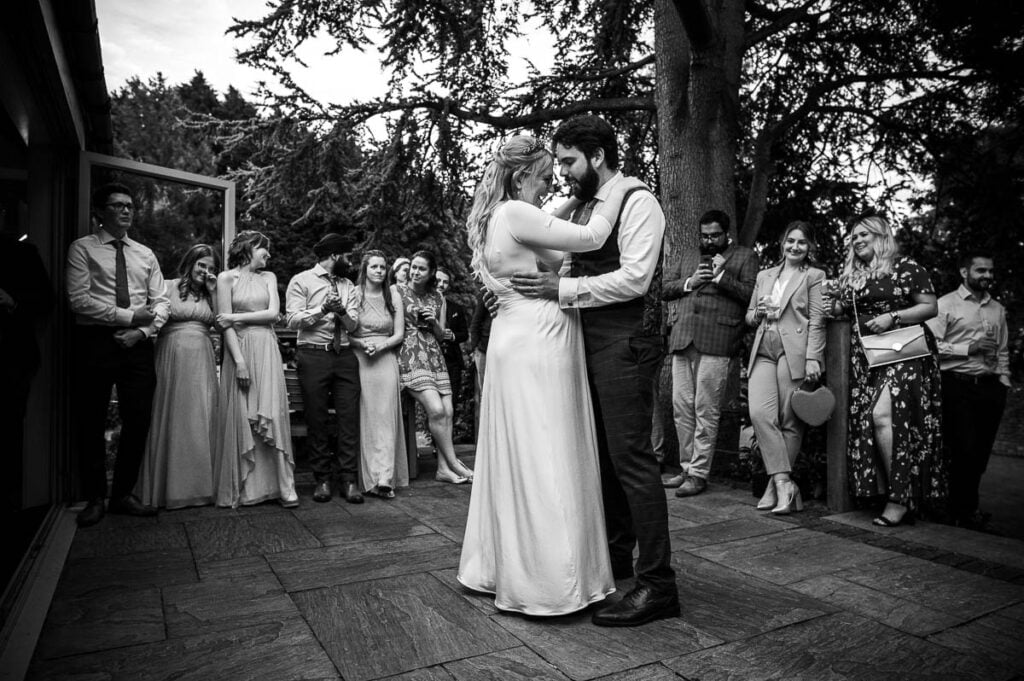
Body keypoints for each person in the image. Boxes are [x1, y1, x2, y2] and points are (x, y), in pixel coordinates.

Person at [459, 133, 644, 616]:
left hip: (514, 337)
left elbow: (552, 219)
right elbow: (592, 237)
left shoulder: (501, 215)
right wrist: (621, 188)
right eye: (543, 177)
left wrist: (568, 200)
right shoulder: (517, 213)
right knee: (547, 454)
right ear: (521, 177)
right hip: (539, 341)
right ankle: (551, 582)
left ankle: (508, 568)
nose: (549, 186)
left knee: (520, 456)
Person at [509, 116, 679, 626]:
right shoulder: (582, 207)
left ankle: (659, 586)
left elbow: (634, 278)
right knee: (603, 458)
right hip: (588, 340)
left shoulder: (638, 202)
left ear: (597, 156)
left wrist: (561, 292)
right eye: (558, 162)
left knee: (632, 460)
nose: (561, 172)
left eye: (568, 161)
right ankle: (618, 564)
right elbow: (558, 261)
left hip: (628, 341)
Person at [66, 182, 168, 527]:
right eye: (117, 205)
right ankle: (95, 497)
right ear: (99, 211)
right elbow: (78, 300)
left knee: (138, 419)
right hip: (94, 341)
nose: (126, 211)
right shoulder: (82, 249)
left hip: (138, 345)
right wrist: (127, 317)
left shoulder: (145, 254)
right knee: (90, 419)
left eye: (130, 206)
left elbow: (162, 302)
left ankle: (122, 494)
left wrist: (140, 331)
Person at [834, 214, 943, 527]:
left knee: (883, 416)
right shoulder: (851, 275)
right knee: (873, 422)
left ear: (881, 236)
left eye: (864, 235)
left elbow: (929, 307)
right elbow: (842, 310)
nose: (857, 241)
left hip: (903, 352)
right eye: (853, 236)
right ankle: (888, 492)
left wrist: (893, 317)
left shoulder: (906, 267)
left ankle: (899, 498)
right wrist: (835, 304)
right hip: (865, 355)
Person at [662, 210, 758, 497]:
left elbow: (751, 294)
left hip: (718, 340)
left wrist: (721, 277)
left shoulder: (744, 256)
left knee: (706, 409)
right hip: (683, 338)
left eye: (715, 235)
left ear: (726, 233)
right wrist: (690, 282)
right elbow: (666, 288)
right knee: (681, 408)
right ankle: (686, 467)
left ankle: (700, 473)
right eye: (704, 236)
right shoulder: (689, 255)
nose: (709, 240)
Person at [744, 222, 825, 515]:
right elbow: (750, 315)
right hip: (763, 347)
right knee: (760, 414)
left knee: (789, 421)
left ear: (809, 247)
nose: (795, 247)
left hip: (795, 352)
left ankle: (774, 487)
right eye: (790, 241)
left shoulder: (815, 276)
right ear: (782, 243)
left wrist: (813, 357)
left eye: (802, 243)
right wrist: (758, 313)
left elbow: (817, 320)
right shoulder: (764, 275)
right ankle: (784, 483)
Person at [214, 230, 298, 509]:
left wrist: (235, 316)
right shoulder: (226, 278)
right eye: (265, 249)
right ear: (250, 248)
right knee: (243, 415)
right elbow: (224, 328)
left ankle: (284, 486)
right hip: (239, 349)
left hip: (266, 348)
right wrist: (238, 362)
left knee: (271, 412)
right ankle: (247, 487)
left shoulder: (269, 278)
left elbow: (273, 314)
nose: (269, 255)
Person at [927, 252, 1011, 528]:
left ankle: (964, 510)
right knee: (962, 449)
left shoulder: (997, 309)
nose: (987, 276)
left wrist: (1003, 382)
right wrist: (968, 349)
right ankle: (959, 511)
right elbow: (928, 346)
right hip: (957, 386)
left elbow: (1003, 350)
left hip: (990, 388)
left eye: (990, 271)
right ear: (965, 272)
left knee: (980, 453)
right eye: (980, 270)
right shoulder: (945, 304)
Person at [135, 244, 220, 509]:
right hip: (172, 355)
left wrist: (215, 291)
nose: (205, 271)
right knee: (172, 414)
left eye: (211, 267)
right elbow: (155, 316)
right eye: (201, 265)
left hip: (201, 358)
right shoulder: (169, 287)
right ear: (190, 263)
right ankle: (166, 487)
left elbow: (220, 322)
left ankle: (200, 487)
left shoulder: (211, 294)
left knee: (199, 416)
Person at [284, 233, 364, 504]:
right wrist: (321, 310)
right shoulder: (301, 281)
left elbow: (353, 325)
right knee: (316, 419)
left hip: (345, 357)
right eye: (347, 257)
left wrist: (340, 311)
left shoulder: (349, 286)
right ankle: (322, 480)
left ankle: (349, 480)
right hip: (313, 356)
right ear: (333, 256)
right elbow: (293, 320)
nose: (350, 262)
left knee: (348, 419)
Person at [397, 251, 474, 483]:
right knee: (437, 410)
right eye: (413, 267)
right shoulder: (397, 290)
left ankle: (443, 469)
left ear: (431, 272)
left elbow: (441, 335)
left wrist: (432, 323)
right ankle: (455, 463)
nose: (415, 272)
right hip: (410, 353)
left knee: (448, 411)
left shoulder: (437, 297)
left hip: (434, 354)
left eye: (421, 269)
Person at [0, 220, 53, 513]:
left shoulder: (21, 253)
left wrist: (12, 302)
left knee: (9, 427)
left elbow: (46, 301)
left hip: (11, 355)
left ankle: (12, 498)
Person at [349, 250, 408, 498]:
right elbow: (345, 332)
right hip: (360, 357)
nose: (379, 271)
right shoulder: (354, 293)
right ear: (365, 269)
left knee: (385, 416)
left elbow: (399, 333)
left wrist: (381, 346)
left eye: (383, 267)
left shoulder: (392, 293)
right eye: (374, 267)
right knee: (367, 417)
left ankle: (385, 476)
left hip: (385, 357)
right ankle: (370, 477)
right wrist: (362, 344)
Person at [435, 266, 469, 413]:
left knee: (451, 405)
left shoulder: (456, 308)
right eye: (438, 280)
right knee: (435, 407)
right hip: (432, 359)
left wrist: (453, 336)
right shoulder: (422, 303)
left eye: (445, 282)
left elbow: (465, 334)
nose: (441, 284)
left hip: (452, 361)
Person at [467, 292, 492, 437]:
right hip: (484, 349)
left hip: (506, 348)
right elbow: (475, 323)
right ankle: (485, 436)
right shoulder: (486, 292)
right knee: (485, 393)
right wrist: (474, 348)